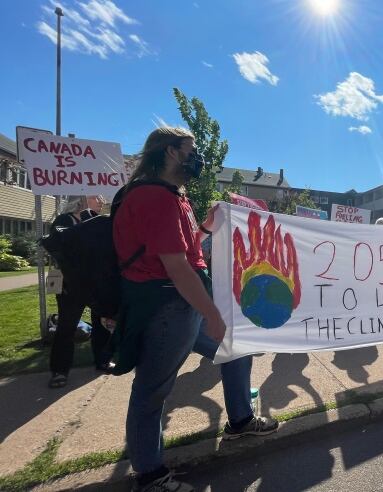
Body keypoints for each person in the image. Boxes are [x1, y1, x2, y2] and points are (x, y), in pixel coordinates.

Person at [113, 127, 276, 492]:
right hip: (167, 307)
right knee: (152, 390)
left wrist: (205, 226)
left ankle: (240, 421)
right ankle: (151, 475)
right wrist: (214, 314)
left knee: (235, 352)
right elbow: (176, 266)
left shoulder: (174, 196)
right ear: (171, 153)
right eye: (192, 150)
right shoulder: (154, 197)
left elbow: (188, 249)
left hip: (184, 305)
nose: (197, 157)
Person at [48, 195, 113, 388]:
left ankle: (102, 360)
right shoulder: (64, 221)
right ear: (81, 198)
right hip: (71, 284)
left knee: (101, 323)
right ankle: (59, 371)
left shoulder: (95, 220)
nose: (101, 201)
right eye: (96, 197)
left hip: (95, 284)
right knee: (67, 326)